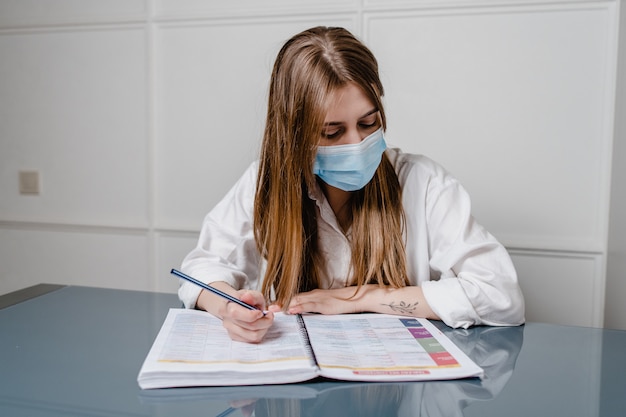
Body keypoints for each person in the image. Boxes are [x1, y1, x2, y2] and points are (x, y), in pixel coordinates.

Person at [179, 26, 525, 343]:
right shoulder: (262, 183)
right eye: (332, 132)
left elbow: (500, 296)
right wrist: (230, 307)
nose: (356, 143)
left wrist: (363, 298)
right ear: (293, 135)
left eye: (368, 122)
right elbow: (203, 268)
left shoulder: (424, 183)